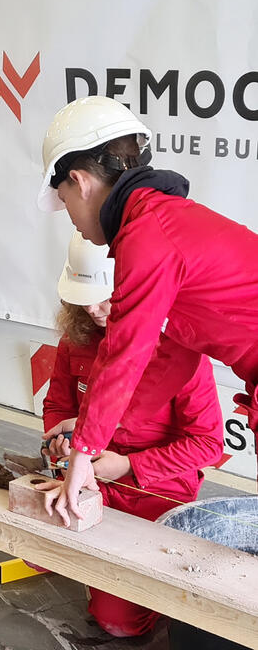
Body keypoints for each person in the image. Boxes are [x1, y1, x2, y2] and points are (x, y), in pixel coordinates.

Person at [37, 94, 258, 524]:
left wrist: (82, 454)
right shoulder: (165, 221)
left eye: (65, 202)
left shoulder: (147, 235)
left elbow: (125, 353)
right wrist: (91, 436)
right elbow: (171, 358)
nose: (72, 219)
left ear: (80, 182)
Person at [41, 230, 222, 637]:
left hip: (156, 488)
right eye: (84, 299)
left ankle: (141, 591)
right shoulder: (77, 340)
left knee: (119, 623)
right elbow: (57, 406)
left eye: (104, 298)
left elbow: (209, 444)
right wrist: (61, 438)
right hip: (87, 476)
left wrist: (127, 465)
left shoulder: (181, 353)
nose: (93, 309)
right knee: (34, 542)